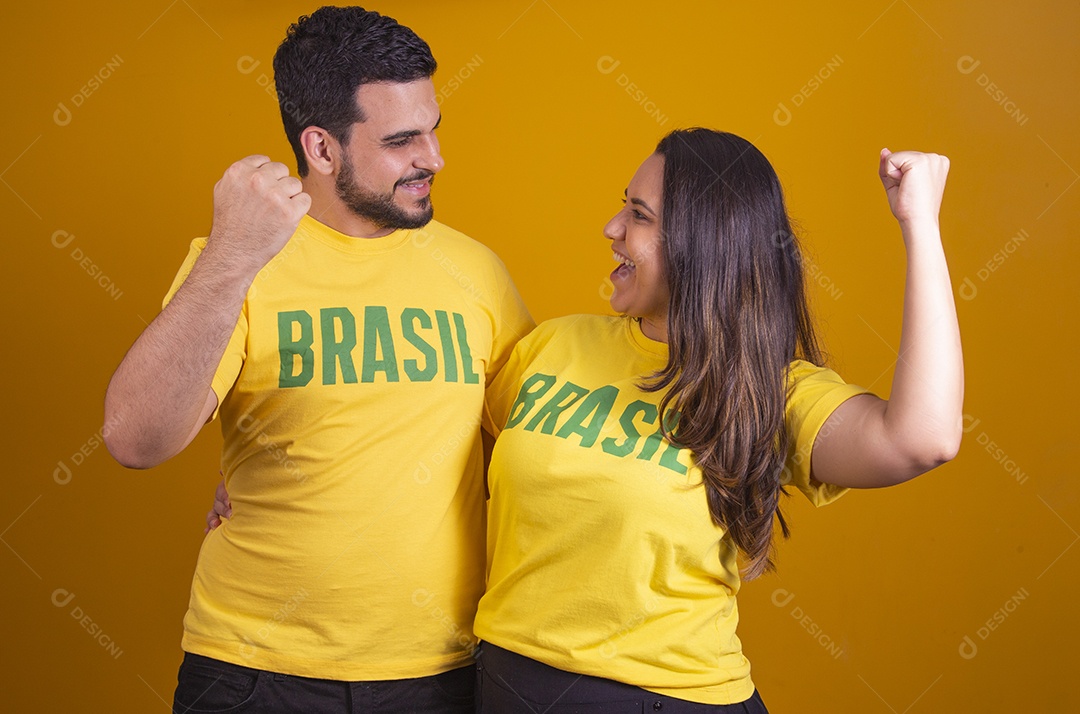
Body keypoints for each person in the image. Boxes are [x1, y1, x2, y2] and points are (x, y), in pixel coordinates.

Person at [103, 6, 532, 713]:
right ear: (322, 149)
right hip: (252, 673)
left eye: (432, 129)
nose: (433, 158)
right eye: (401, 140)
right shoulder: (234, 263)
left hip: (439, 672)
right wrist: (233, 254)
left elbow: (534, 443)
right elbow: (135, 439)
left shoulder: (477, 272)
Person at [469, 129, 961, 711]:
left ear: (702, 244)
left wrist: (920, 225)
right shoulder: (553, 345)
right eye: (624, 206)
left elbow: (923, 439)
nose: (612, 228)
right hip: (506, 685)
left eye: (639, 215)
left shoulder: (766, 390)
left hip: (662, 699)